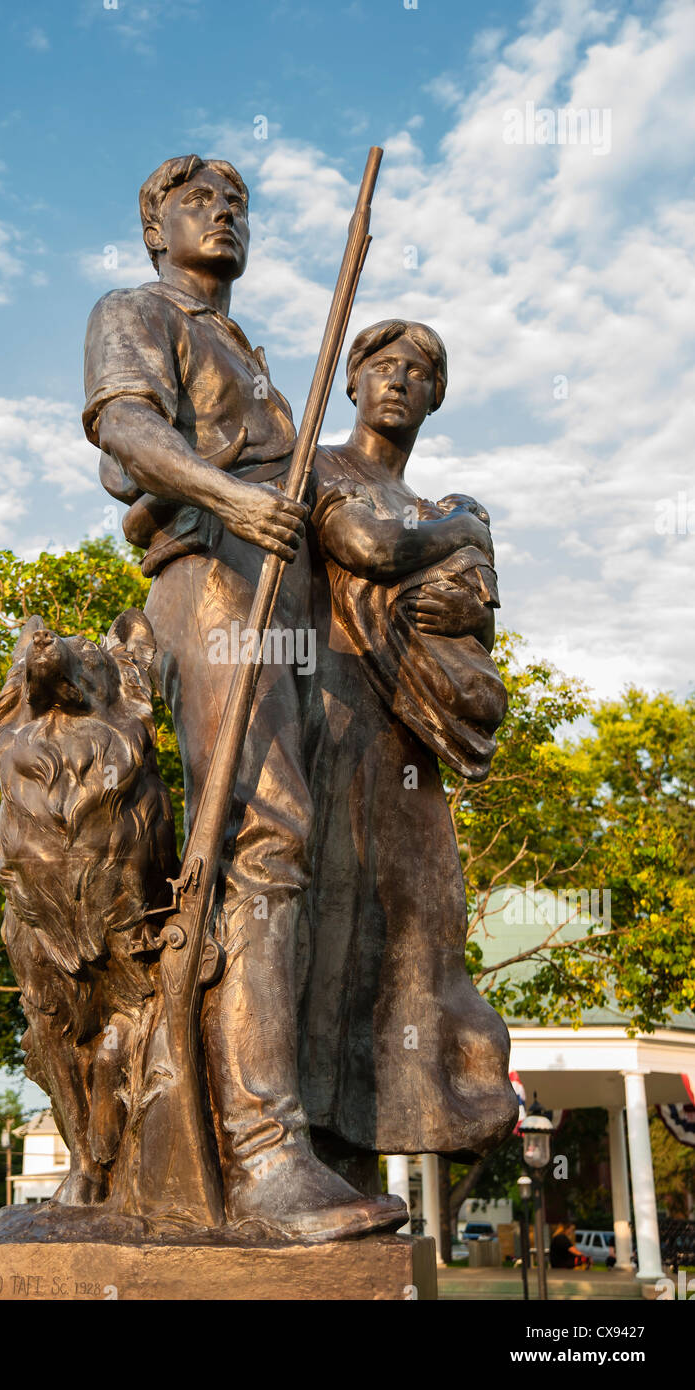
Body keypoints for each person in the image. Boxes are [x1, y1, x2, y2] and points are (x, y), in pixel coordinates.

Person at [84, 156, 405, 1240]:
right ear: (152, 228)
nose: (220, 215)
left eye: (235, 204)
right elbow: (128, 433)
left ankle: (286, 1134)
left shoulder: (252, 355)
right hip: (213, 571)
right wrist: (232, 495)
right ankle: (264, 1158)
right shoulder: (136, 309)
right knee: (260, 832)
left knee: (294, 849)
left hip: (286, 593)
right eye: (193, 202)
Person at [299, 318, 519, 1189]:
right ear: (353, 382)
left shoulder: (438, 502)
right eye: (382, 365)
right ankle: (304, 1127)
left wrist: (462, 569)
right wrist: (462, 530)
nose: (397, 380)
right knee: (324, 914)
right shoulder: (316, 467)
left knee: (418, 926)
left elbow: (481, 614)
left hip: (409, 738)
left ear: (436, 394)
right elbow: (369, 546)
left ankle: (387, 1118)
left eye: (418, 370)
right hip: (325, 713)